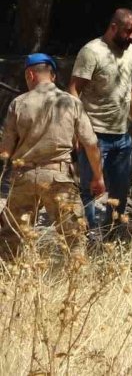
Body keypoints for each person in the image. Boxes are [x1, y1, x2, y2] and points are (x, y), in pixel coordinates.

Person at [0, 54, 107, 261]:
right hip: (59, 178)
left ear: (30, 74)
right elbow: (91, 144)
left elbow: (5, 150)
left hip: (24, 178)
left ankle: (10, 285)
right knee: (74, 237)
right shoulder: (71, 103)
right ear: (53, 76)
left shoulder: (18, 103)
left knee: (11, 237)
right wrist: (98, 177)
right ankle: (76, 285)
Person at [69, 8, 132, 233]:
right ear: (113, 27)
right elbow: (73, 89)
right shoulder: (91, 52)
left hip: (122, 136)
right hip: (95, 136)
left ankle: (114, 233)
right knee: (91, 190)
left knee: (120, 191)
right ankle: (89, 235)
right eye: (128, 31)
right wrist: (78, 131)